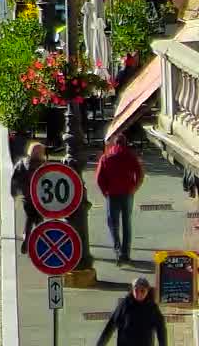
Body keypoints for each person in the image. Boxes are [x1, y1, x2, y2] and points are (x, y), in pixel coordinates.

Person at [97, 133, 147, 264]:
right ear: (125, 144)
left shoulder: (106, 157)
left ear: (114, 143)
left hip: (112, 194)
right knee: (127, 223)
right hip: (127, 193)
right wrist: (134, 187)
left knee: (113, 224)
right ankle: (126, 253)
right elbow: (140, 174)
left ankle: (117, 250)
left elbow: (99, 178)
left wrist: (105, 192)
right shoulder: (130, 156)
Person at [96, 277, 168, 346]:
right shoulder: (125, 304)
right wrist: (100, 343)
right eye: (136, 290)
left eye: (142, 291)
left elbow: (161, 330)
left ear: (147, 291)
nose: (138, 294)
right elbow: (111, 325)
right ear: (132, 290)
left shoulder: (152, 308)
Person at [11, 141, 48, 252]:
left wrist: (14, 192)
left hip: (27, 197)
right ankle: (41, 240)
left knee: (30, 217)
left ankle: (28, 237)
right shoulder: (44, 165)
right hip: (40, 198)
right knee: (38, 219)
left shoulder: (22, 164)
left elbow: (14, 178)